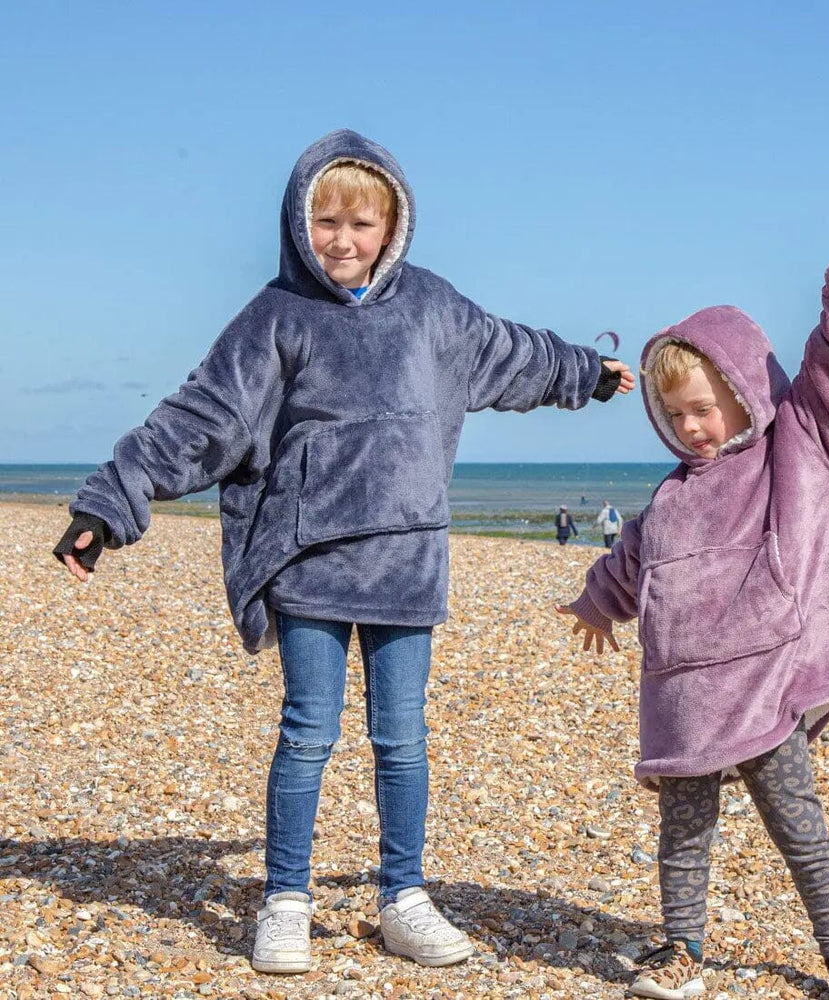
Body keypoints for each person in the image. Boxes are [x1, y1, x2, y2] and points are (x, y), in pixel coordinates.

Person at [52, 129, 634, 976]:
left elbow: (513, 353)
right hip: (309, 560)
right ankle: (286, 897)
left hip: (406, 558)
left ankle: (404, 895)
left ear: (393, 227)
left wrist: (586, 370)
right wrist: (107, 505)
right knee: (308, 732)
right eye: (325, 220)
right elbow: (200, 418)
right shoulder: (275, 317)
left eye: (362, 224)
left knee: (402, 738)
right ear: (298, 222)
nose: (343, 240)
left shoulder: (433, 308)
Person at [557, 214, 829, 1000]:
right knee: (684, 837)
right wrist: (595, 602)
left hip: (765, 687)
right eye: (674, 414)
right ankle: (681, 948)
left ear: (744, 393)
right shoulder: (673, 494)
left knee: (801, 832)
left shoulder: (800, 447)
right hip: (683, 698)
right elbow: (637, 559)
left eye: (704, 409)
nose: (690, 428)